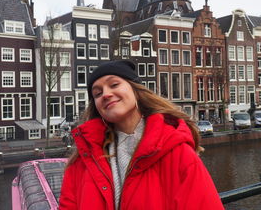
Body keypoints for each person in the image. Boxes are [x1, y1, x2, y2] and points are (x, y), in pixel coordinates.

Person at [59, 60, 224, 210]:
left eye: (114, 84)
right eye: (97, 93)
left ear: (136, 90)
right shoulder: (81, 162)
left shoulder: (176, 153)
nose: (106, 94)